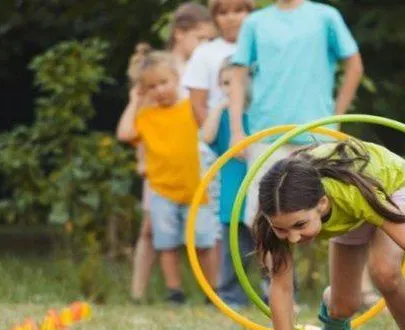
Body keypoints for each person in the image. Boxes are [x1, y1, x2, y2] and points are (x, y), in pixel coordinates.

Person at [251, 139, 405, 330]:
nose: (293, 238)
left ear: (322, 204)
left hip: (393, 186)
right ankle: (332, 301)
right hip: (350, 212)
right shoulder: (276, 214)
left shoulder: (352, 193)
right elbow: (282, 288)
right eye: (282, 229)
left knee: (385, 271)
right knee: (343, 306)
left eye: (300, 224)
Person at [228, 0, 364, 225]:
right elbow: (237, 78)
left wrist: (336, 119)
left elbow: (355, 66)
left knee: (330, 214)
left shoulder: (325, 16)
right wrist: (236, 131)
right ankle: (275, 262)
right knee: (264, 219)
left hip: (318, 134)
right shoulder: (255, 22)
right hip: (266, 134)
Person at [126, 2, 217, 303]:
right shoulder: (160, 70)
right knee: (153, 229)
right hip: (160, 166)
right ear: (180, 34)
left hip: (194, 164)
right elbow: (141, 125)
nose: (207, 45)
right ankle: (143, 293)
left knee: (202, 232)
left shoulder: (201, 67)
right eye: (202, 39)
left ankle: (212, 290)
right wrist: (142, 159)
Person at [200, 57, 253, 308]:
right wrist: (218, 108)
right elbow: (206, 136)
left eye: (234, 82)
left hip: (257, 194)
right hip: (232, 196)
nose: (229, 88)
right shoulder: (221, 120)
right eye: (224, 83)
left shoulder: (258, 116)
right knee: (234, 252)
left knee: (271, 248)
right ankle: (231, 297)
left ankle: (275, 293)